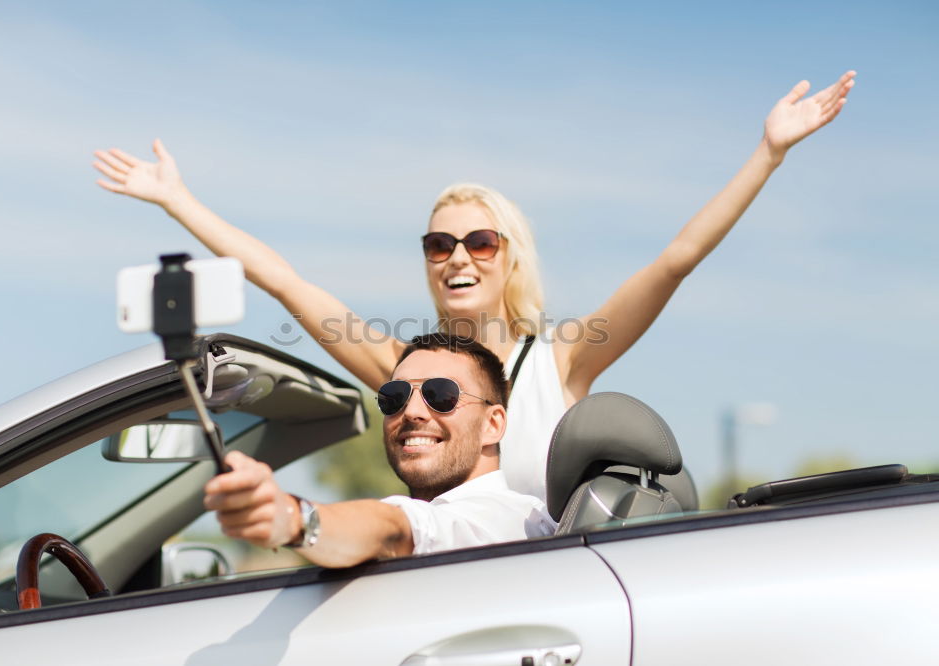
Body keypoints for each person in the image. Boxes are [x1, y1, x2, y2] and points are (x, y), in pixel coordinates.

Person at [95, 71, 856, 501]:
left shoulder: (563, 360)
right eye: (438, 243)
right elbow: (283, 281)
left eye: (479, 240)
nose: (457, 257)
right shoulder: (405, 373)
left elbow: (676, 259)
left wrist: (768, 153)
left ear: (509, 256)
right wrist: (178, 200)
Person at [203, 334, 556, 566]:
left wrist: (294, 518)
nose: (412, 411)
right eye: (395, 397)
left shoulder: (503, 518)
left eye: (442, 395)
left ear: (493, 424)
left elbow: (395, 528)